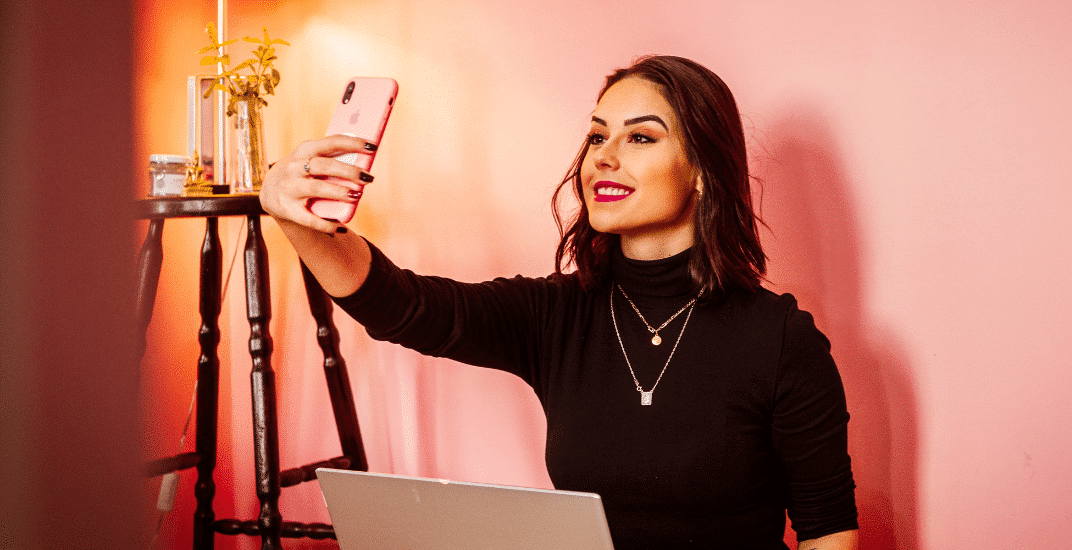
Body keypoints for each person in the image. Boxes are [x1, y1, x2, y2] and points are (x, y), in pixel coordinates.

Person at [260, 55, 858, 550]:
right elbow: (402, 307)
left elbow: (829, 533)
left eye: (640, 137)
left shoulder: (781, 340)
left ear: (702, 169)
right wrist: (302, 221)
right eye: (598, 135)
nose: (603, 155)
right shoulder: (557, 315)